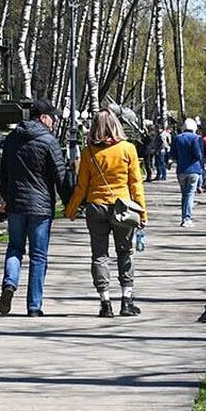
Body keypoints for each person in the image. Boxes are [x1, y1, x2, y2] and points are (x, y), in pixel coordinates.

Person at [65, 109, 148, 317]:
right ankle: (127, 301)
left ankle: (105, 302)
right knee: (125, 252)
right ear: (117, 125)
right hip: (123, 208)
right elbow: (136, 184)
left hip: (96, 207)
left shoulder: (89, 152)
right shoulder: (128, 149)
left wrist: (72, 209)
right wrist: (143, 212)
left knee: (99, 255)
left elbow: (81, 186)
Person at [0, 97, 67, 317]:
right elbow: (60, 175)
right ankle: (34, 306)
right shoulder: (48, 141)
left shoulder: (11, 139)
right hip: (41, 208)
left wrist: (6, 197)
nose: (54, 121)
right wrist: (70, 202)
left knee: (15, 248)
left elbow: (3, 171)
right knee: (38, 256)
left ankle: (10, 284)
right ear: (43, 117)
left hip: (16, 204)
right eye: (52, 117)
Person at [174, 118, 203, 227]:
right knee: (190, 194)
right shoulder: (196, 138)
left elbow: (173, 154)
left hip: (181, 170)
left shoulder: (177, 138)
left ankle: (183, 217)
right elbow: (198, 155)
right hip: (193, 169)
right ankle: (187, 218)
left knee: (184, 194)